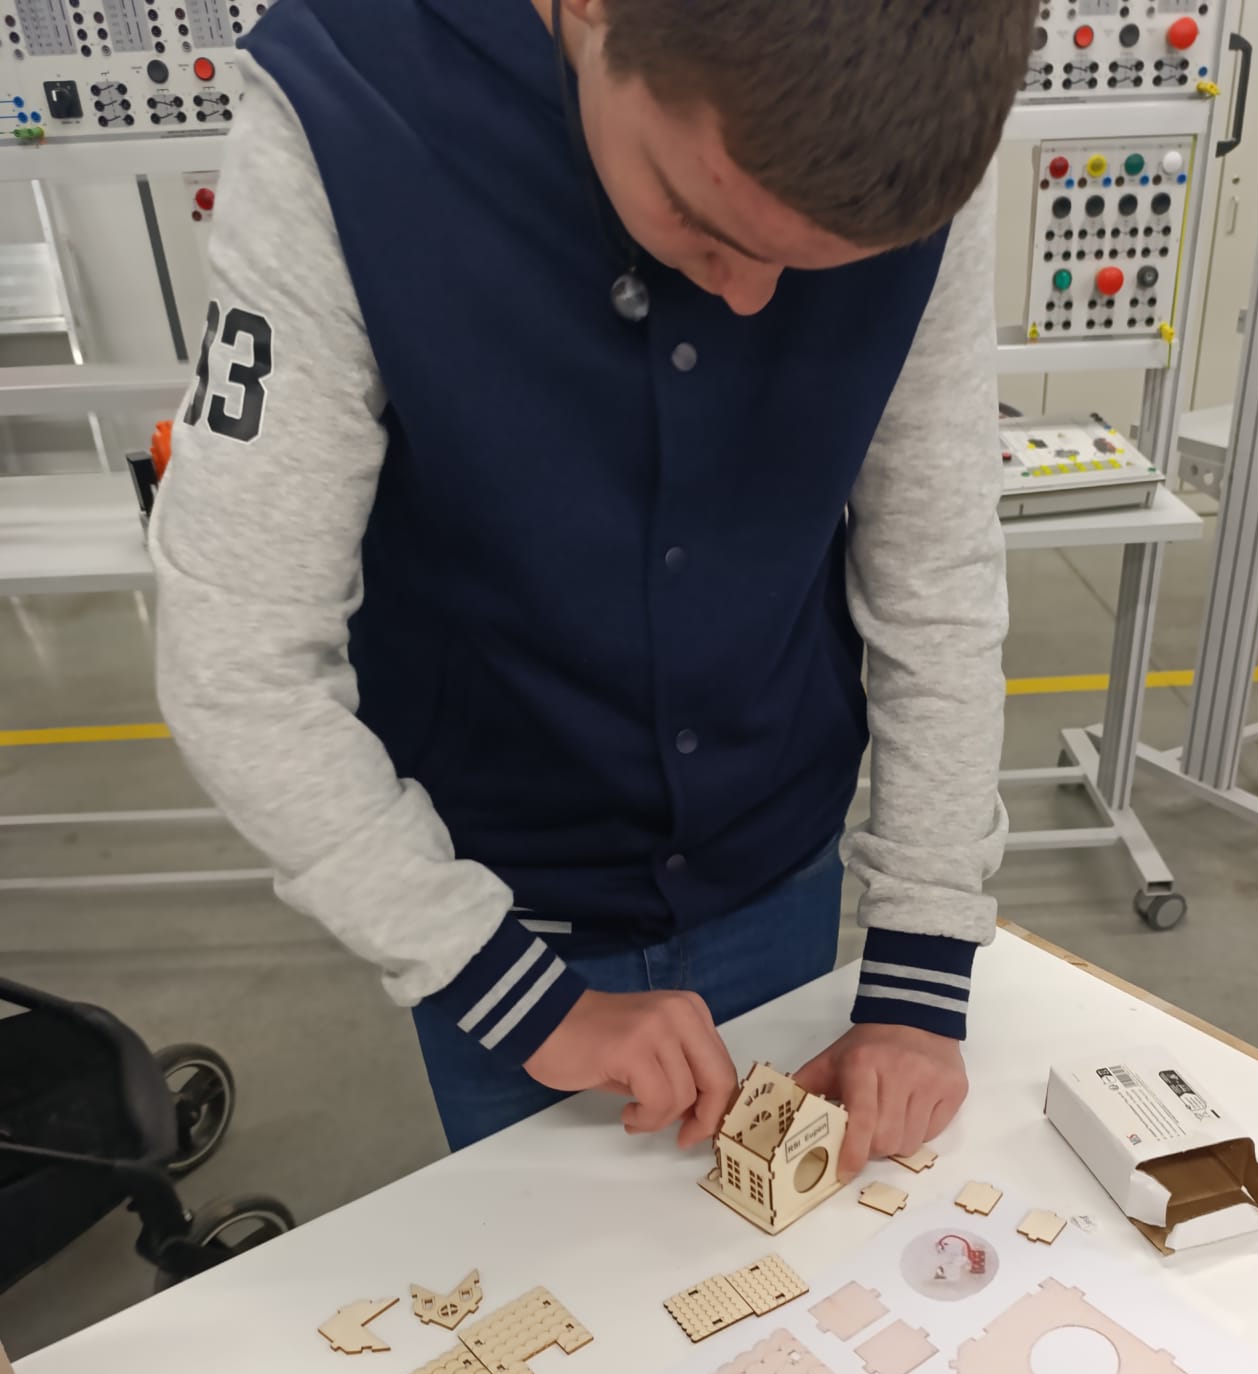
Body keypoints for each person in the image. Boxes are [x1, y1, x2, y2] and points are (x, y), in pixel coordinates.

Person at [153, 0, 1031, 1175]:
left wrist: (919, 968)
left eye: (819, 267)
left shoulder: (920, 115)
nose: (749, 299)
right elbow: (238, 659)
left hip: (778, 858)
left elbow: (937, 575)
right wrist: (515, 996)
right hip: (500, 905)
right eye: (701, 218)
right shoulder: (345, 110)